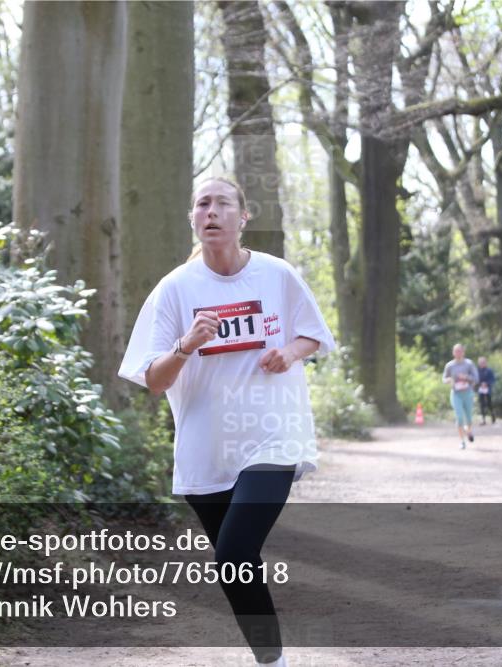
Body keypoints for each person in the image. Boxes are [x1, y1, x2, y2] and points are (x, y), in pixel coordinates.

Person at [118, 177, 336, 667]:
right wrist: (186, 345)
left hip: (272, 438)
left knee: (235, 552)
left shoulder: (276, 275)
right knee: (236, 568)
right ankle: (270, 656)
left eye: (221, 203)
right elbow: (153, 379)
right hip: (207, 448)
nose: (211, 212)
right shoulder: (175, 289)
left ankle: (272, 664)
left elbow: (315, 336)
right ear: (193, 219)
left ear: (243, 217)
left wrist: (289, 352)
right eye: (201, 204)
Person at [443, 343, 478, 449]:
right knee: (459, 417)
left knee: (468, 418)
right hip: (456, 394)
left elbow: (476, 378)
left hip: (467, 393)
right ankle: (462, 441)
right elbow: (444, 379)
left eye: (460, 351)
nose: (458, 353)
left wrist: (466, 377)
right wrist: (449, 380)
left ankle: (469, 431)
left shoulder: (469, 364)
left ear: (463, 352)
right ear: (453, 353)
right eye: (456, 351)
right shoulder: (449, 365)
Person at [477, 356, 497, 425]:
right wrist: (480, 384)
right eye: (480, 362)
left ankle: (493, 415)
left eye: (483, 362)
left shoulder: (489, 370)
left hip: (488, 390)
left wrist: (486, 383)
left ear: (486, 363)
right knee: (481, 404)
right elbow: (476, 380)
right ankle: (483, 419)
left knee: (489, 404)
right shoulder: (477, 371)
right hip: (480, 390)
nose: (482, 364)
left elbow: (493, 380)